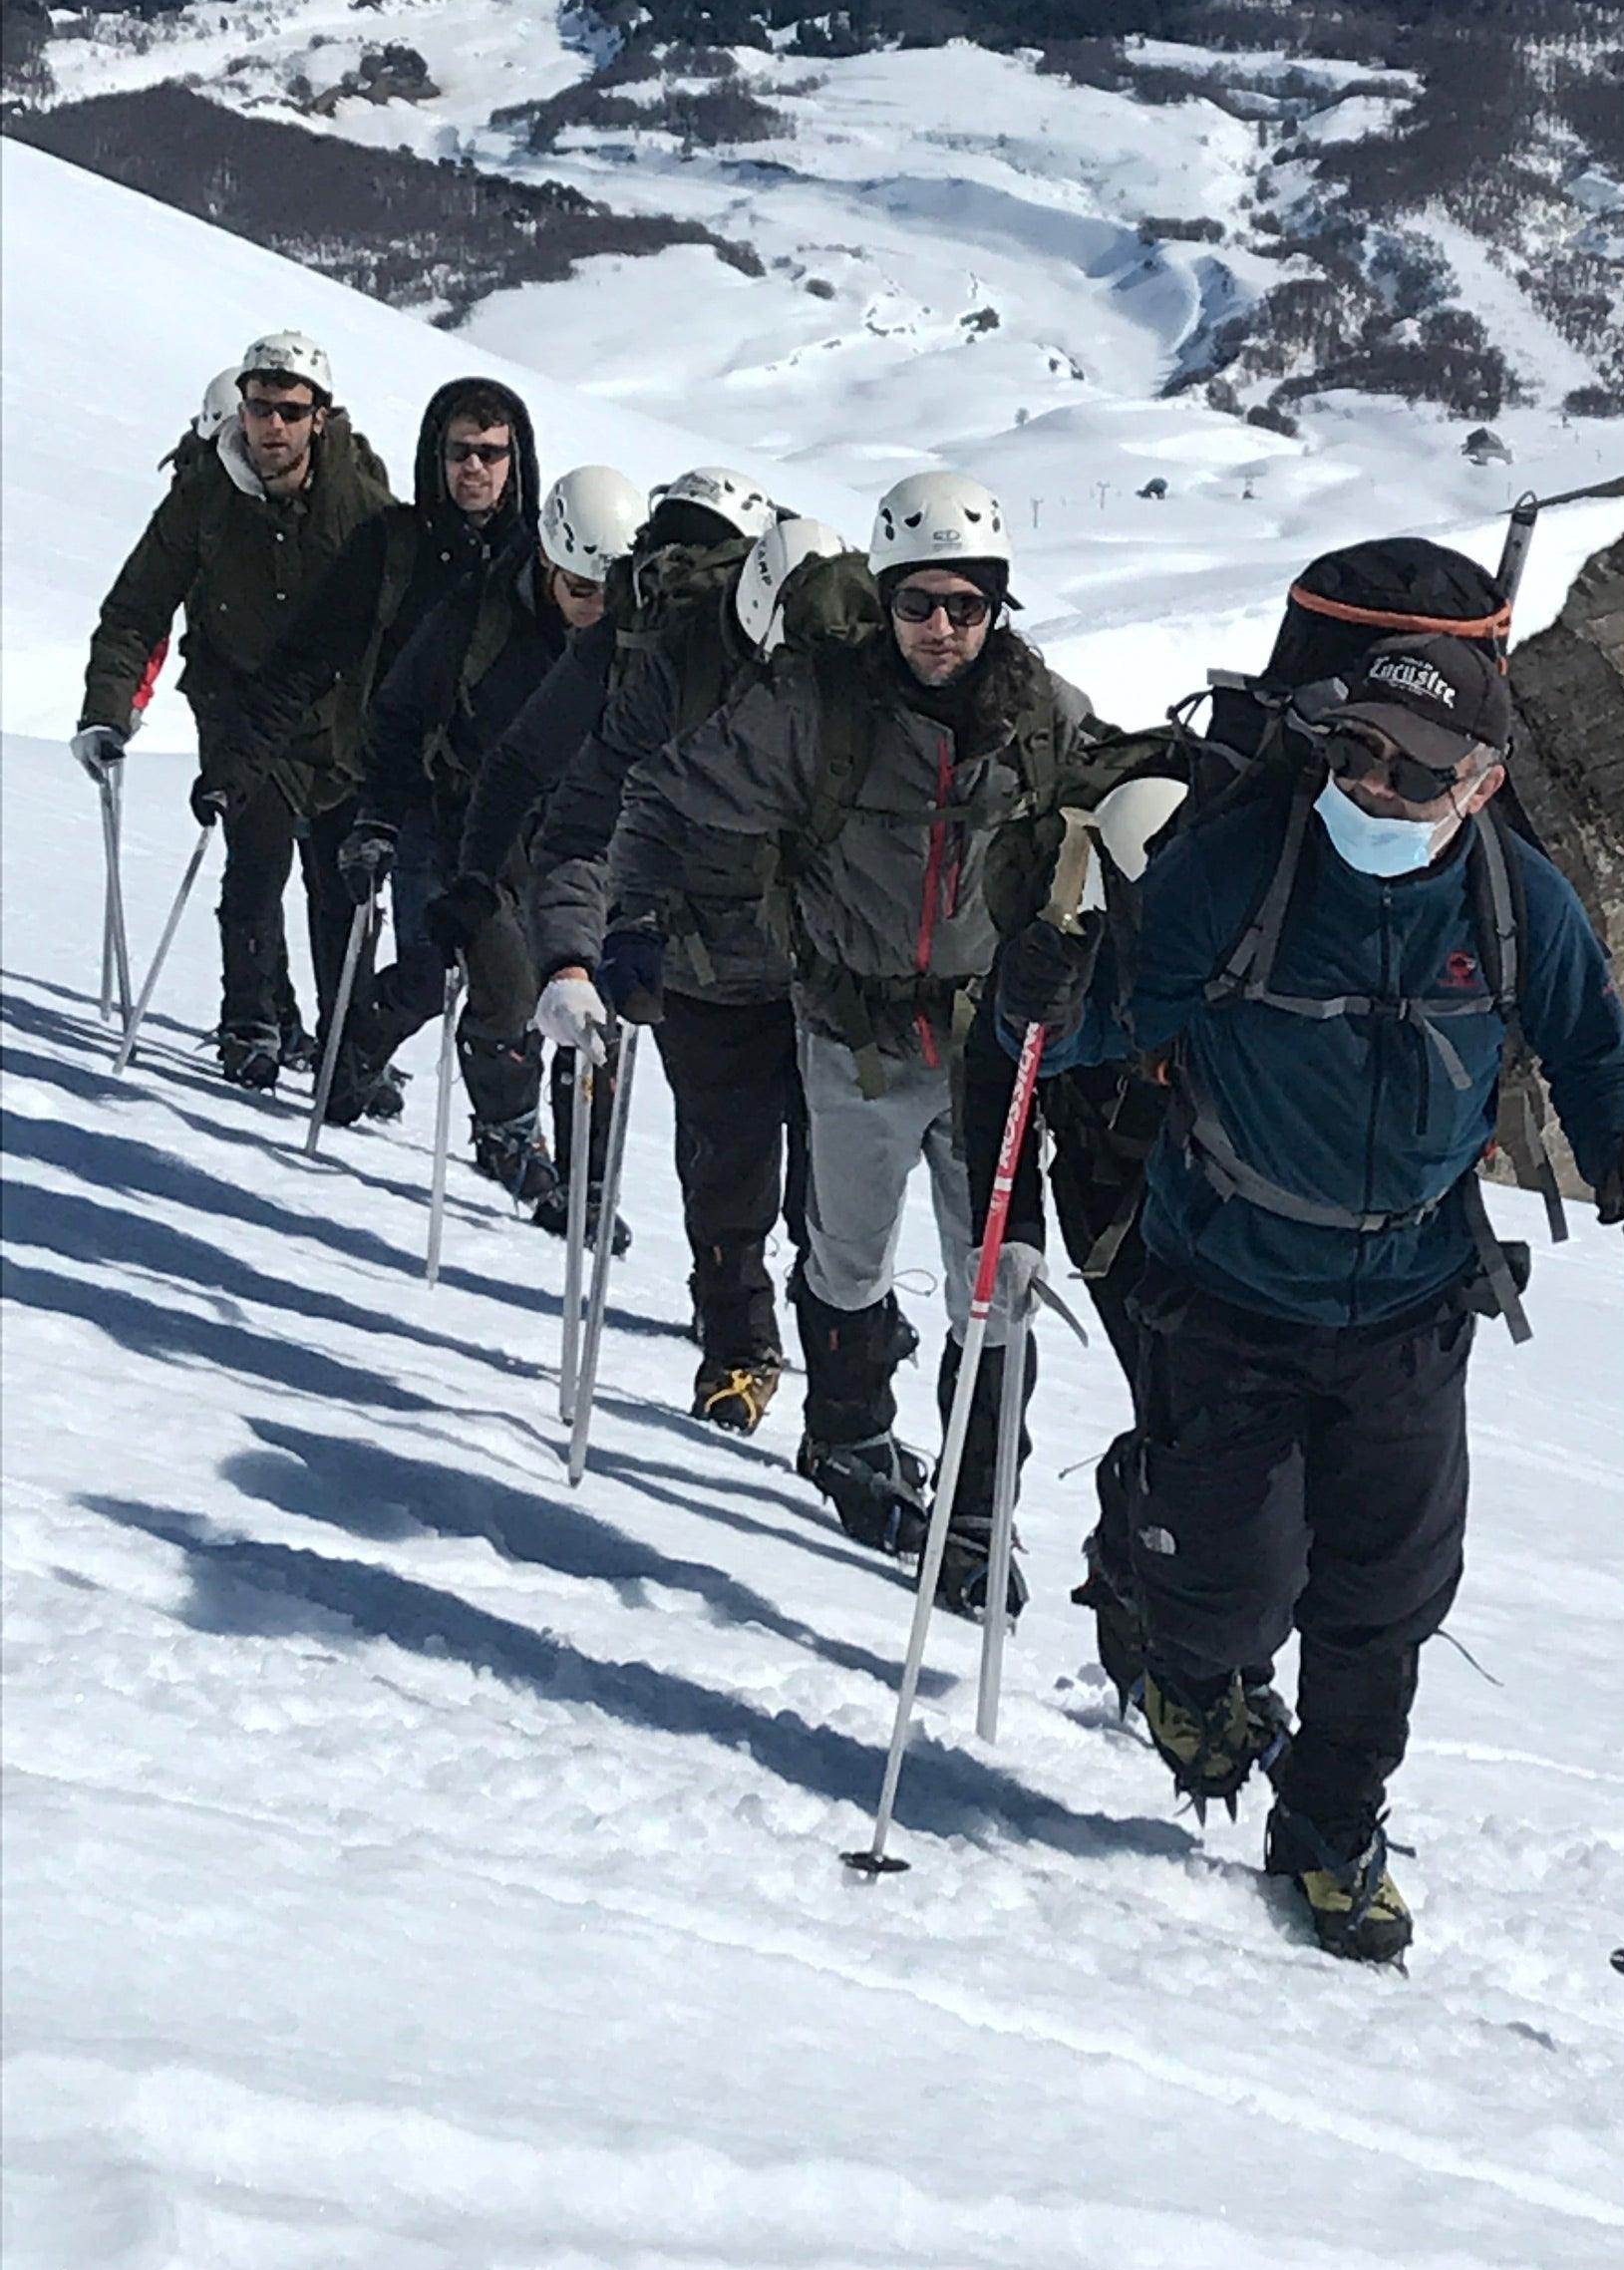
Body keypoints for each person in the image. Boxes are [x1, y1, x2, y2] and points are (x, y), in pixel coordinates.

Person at [1075, 624, 1624, 1965]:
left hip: (1411, 1308)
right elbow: (1119, 1007)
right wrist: (1038, 1009)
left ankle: (1331, 1834)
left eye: (1415, 771)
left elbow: (1593, 1052)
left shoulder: (1517, 906)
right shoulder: (1244, 869)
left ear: (1479, 781)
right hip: (1229, 1287)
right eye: (1356, 751)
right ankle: (1161, 1596)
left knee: (1385, 1598)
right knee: (1232, 1597)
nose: (1374, 786)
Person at [598, 471, 1156, 1589]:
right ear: (885, 600)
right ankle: (847, 1436)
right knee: (848, 1265)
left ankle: (973, 1511)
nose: (942, 629)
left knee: (994, 1283)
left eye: (967, 605)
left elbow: (1115, 810)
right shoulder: (816, 707)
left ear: (998, 606)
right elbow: (666, 794)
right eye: (917, 605)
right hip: (851, 1037)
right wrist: (631, 919)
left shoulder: (1041, 715)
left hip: (992, 1054)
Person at [997, 531, 1527, 1701]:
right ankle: (1183, 1637)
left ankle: (1178, 1631)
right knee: (1233, 1501)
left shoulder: (1242, 821)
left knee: (1227, 1481)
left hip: (1160, 1191)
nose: (1381, 783)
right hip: (1211, 1217)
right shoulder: (1404, 850)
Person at [520, 486, 860, 1435]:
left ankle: (842, 1391)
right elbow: (583, 819)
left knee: (833, 1193)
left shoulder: (870, 673)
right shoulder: (674, 670)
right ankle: (739, 1346)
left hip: (833, 974)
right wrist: (572, 958)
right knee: (727, 1172)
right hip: (704, 964)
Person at [213, 371, 546, 1126]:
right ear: (435, 454)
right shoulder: (393, 545)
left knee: (509, 977)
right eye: (461, 451)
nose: (475, 468)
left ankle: (505, 1133)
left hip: (510, 801)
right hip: (404, 790)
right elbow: (307, 656)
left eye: (492, 453)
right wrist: (242, 762)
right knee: (434, 969)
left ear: (516, 461)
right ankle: (362, 1043)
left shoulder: (537, 560)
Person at [73, 330, 394, 1091]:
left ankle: (343, 1044)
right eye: (259, 408)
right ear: (239, 412)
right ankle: (250, 1021)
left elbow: (407, 620)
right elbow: (135, 608)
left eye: (289, 409)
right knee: (255, 862)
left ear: (320, 416)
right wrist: (107, 710)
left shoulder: (364, 507)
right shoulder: (204, 499)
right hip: (238, 706)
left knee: (344, 887)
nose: (271, 425)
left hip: (342, 716)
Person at [333, 461, 642, 1206]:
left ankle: (537, 1154)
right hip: (456, 827)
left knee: (532, 995)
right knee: (432, 981)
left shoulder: (635, 640)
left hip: (565, 846)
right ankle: (361, 1050)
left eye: (611, 594)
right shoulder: (476, 615)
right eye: (579, 591)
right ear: (547, 561)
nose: (595, 610)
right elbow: (399, 713)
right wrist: (378, 815)